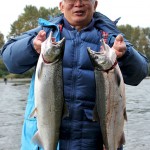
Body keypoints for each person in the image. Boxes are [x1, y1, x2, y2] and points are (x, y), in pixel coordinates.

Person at [1, 0, 149, 150]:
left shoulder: (110, 38)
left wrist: (125, 55)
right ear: (61, 5)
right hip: (49, 140)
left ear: (95, 4)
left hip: (97, 142)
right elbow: (10, 60)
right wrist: (32, 46)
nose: (78, 4)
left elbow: (140, 73)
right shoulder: (46, 34)